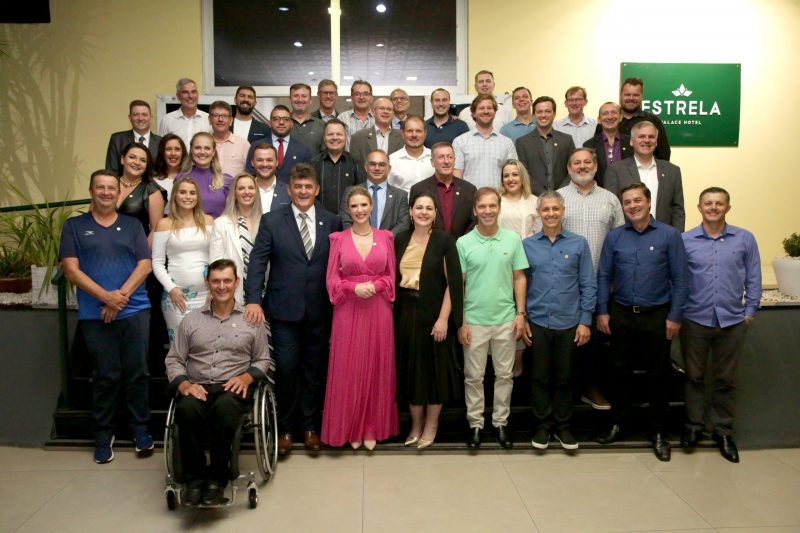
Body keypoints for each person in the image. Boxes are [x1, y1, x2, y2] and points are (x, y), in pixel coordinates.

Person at [244, 164, 343, 455]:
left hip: (320, 310)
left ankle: (310, 427)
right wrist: (253, 299)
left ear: (317, 189)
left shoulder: (332, 221)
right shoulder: (272, 220)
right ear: (289, 190)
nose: (303, 191)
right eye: (298, 186)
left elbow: (338, 264)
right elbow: (258, 262)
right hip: (283, 310)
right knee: (286, 369)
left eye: (308, 186)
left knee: (313, 370)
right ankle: (285, 429)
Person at [59, 169, 153, 464]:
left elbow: (145, 265)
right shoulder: (74, 226)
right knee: (105, 376)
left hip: (134, 310)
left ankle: (141, 430)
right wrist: (106, 297)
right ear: (91, 191)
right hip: (94, 314)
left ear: (118, 192)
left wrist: (118, 298)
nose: (106, 192)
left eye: (111, 188)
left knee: (138, 373)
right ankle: (103, 434)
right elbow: (71, 270)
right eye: (100, 187)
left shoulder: (132, 225)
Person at [165, 259, 270, 506]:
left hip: (232, 388)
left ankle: (217, 479)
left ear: (237, 282)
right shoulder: (191, 321)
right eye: (216, 281)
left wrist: (246, 377)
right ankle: (195, 480)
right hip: (197, 386)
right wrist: (184, 385)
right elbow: (174, 359)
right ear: (207, 284)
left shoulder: (251, 319)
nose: (221, 286)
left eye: (227, 281)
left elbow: (263, 359)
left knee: (225, 410)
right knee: (186, 410)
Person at [596, 183, 688, 462]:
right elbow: (604, 275)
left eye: (637, 200)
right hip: (621, 313)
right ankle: (619, 422)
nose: (632, 206)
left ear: (648, 202)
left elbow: (681, 279)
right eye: (627, 202)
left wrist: (675, 316)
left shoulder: (669, 236)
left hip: (657, 315)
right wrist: (602, 311)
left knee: (658, 374)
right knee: (619, 372)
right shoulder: (615, 237)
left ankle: (658, 431)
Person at [680, 187, 762, 463]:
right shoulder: (686, 240)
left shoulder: (745, 238)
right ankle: (693, 426)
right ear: (699, 207)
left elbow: (753, 277)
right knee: (694, 377)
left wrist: (749, 311)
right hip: (695, 319)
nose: (713, 208)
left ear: (728, 207)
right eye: (708, 203)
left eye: (719, 203)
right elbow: (677, 279)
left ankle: (723, 431)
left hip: (732, 320)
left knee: (725, 379)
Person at [322, 186, 399, 450]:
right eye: (354, 206)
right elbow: (331, 279)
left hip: (378, 307)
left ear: (371, 206)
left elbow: (391, 276)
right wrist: (352, 288)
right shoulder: (338, 239)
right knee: (349, 367)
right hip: (348, 307)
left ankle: (371, 428)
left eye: (363, 205)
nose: (359, 210)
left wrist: (375, 286)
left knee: (377, 366)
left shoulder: (386, 237)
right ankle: (352, 427)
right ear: (348, 209)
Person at [522, 191, 596, 450]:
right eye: (546, 209)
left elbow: (588, 284)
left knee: (565, 377)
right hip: (538, 322)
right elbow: (521, 285)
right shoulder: (527, 245)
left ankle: (564, 426)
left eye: (555, 209)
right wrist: (523, 318)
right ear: (538, 213)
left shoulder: (579, 244)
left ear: (563, 211)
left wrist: (585, 321)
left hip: (570, 323)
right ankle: (543, 426)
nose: (551, 214)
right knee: (539, 377)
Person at [457, 187, 528, 449]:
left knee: (504, 375)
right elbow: (459, 285)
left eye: (492, 206)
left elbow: (519, 277)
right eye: (482, 207)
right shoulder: (463, 243)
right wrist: (462, 321)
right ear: (475, 210)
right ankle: (475, 424)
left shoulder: (513, 240)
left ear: (499, 208)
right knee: (473, 377)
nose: (487, 211)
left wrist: (520, 314)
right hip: (474, 320)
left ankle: (500, 423)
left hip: (505, 319)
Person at [556, 148, 624, 411]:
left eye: (587, 162)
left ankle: (591, 387)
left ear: (596, 166)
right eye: (576, 163)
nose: (582, 166)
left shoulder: (610, 200)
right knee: (565, 344)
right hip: (564, 286)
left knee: (594, 343)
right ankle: (565, 393)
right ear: (568, 168)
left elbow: (620, 242)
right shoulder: (558, 198)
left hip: (600, 284)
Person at [394, 192, 463, 449]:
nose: (423, 212)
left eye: (429, 208)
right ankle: (415, 425)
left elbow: (453, 284)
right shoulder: (400, 239)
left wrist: (444, 319)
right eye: (419, 207)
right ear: (411, 212)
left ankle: (431, 425)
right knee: (411, 372)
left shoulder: (444, 240)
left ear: (435, 214)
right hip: (405, 315)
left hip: (435, 314)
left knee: (435, 374)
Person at [152, 178, 214, 343]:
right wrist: (171, 288)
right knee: (181, 346)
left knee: (207, 344)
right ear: (175, 196)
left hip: (207, 295)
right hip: (177, 297)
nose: (188, 197)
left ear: (197, 197)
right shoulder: (164, 224)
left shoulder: (208, 221)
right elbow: (157, 262)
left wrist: (214, 289)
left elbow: (216, 257)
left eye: (192, 193)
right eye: (183, 192)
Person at [497, 159, 538, 378]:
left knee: (526, 311)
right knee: (510, 312)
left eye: (515, 174)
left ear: (523, 177)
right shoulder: (498, 202)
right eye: (506, 175)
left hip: (531, 266)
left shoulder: (534, 201)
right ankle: (507, 365)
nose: (511, 179)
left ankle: (521, 364)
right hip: (504, 266)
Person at [604, 120, 685, 231]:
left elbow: (678, 209)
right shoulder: (616, 170)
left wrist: (678, 236)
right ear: (631, 141)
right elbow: (611, 208)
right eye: (641, 136)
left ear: (656, 141)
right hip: (627, 235)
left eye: (651, 137)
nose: (647, 140)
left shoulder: (672, 171)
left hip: (664, 236)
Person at [209, 173, 264, 305]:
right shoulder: (221, 223)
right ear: (234, 193)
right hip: (232, 294)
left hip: (264, 293)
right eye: (241, 188)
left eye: (251, 188)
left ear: (256, 192)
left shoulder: (267, 221)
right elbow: (215, 263)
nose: (247, 192)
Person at [410, 142, 477, 238]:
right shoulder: (419, 189)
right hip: (429, 244)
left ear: (454, 161)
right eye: (441, 157)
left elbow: (473, 222)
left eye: (450, 157)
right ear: (432, 162)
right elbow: (413, 222)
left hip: (461, 245)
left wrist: (462, 243)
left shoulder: (469, 189)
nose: (446, 161)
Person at [453, 94, 518, 189]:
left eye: (489, 108)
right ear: (473, 113)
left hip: (499, 197)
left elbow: (513, 175)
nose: (486, 111)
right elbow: (457, 176)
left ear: (495, 112)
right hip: (470, 197)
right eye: (481, 108)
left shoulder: (507, 143)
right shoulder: (460, 142)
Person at [340, 150, 409, 236]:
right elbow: (346, 221)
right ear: (366, 167)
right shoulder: (350, 192)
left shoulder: (400, 195)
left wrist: (384, 239)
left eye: (382, 164)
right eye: (372, 164)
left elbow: (403, 224)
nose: (377, 168)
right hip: (356, 242)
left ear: (389, 168)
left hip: (389, 243)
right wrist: (361, 239)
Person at [515, 96, 575, 195]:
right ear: (533, 115)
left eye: (547, 111)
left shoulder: (566, 140)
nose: (543, 115)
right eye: (539, 112)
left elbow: (573, 169)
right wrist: (543, 195)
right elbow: (524, 173)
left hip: (564, 196)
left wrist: (559, 194)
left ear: (554, 114)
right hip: (534, 197)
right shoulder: (522, 142)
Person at [245, 104, 313, 183]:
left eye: (286, 119)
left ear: (291, 124)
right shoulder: (256, 146)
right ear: (269, 123)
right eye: (276, 119)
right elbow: (249, 175)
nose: (281, 122)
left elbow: (307, 180)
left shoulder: (303, 150)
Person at [116, 143, 166, 246]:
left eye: (143, 160)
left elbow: (156, 230)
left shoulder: (152, 191)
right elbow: (92, 217)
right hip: (102, 246)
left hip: (134, 249)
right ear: (122, 159)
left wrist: (142, 253)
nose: (137, 162)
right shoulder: (108, 183)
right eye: (132, 157)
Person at [175, 132, 232, 218]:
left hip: (218, 226)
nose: (202, 152)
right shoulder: (181, 178)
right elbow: (176, 212)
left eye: (207, 148)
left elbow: (233, 213)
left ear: (213, 152)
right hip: (190, 225)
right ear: (191, 150)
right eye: (197, 148)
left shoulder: (226, 180)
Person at [311, 119, 362, 213]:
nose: (335, 138)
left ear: (345, 137)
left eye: (339, 134)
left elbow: (361, 194)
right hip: (321, 218)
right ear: (324, 137)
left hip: (349, 219)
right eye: (330, 134)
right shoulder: (313, 163)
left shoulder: (356, 162)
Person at [617, 77, 671, 161]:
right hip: (613, 169)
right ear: (620, 95)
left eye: (636, 95)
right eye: (627, 94)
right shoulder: (609, 121)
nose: (631, 98)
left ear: (642, 96)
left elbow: (663, 153)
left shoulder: (653, 120)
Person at [582, 102, 633, 188]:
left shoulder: (631, 142)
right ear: (599, 119)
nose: (610, 117)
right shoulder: (589, 145)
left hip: (628, 191)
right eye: (605, 113)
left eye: (614, 112)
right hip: (599, 193)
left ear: (620, 117)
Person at [105, 99, 161, 176]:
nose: (140, 118)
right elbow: (111, 172)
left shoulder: (161, 142)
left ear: (151, 117)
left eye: (144, 114)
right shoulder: (117, 139)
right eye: (136, 115)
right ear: (130, 117)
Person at [348, 97, 403, 166]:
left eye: (389, 109)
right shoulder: (358, 137)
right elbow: (355, 166)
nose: (385, 111)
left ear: (393, 114)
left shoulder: (402, 136)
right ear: (373, 112)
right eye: (381, 108)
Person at [158, 78, 211, 147]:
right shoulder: (167, 120)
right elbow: (162, 148)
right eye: (185, 92)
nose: (190, 96)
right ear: (178, 96)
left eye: (193, 92)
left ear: (197, 95)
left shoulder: (208, 119)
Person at [388, 115, 432, 194]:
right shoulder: (392, 160)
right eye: (410, 131)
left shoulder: (435, 158)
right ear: (402, 134)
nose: (414, 135)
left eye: (418, 131)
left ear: (425, 133)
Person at [208, 100, 250, 177]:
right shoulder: (204, 144)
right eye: (216, 115)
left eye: (225, 116)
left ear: (231, 121)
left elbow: (250, 173)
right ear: (209, 120)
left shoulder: (243, 144)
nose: (220, 119)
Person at [250, 143, 291, 213]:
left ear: (277, 162)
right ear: (252, 163)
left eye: (269, 160)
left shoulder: (288, 192)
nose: (264, 164)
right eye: (259, 160)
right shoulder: (244, 191)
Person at [153, 133, 188, 212]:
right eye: (168, 149)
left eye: (177, 149)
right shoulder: (153, 179)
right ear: (162, 152)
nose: (173, 153)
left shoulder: (190, 177)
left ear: (182, 153)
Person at [290, 82, 324, 154]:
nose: (300, 100)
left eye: (304, 96)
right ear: (290, 99)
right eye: (296, 96)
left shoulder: (322, 125)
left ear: (310, 100)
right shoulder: (281, 124)